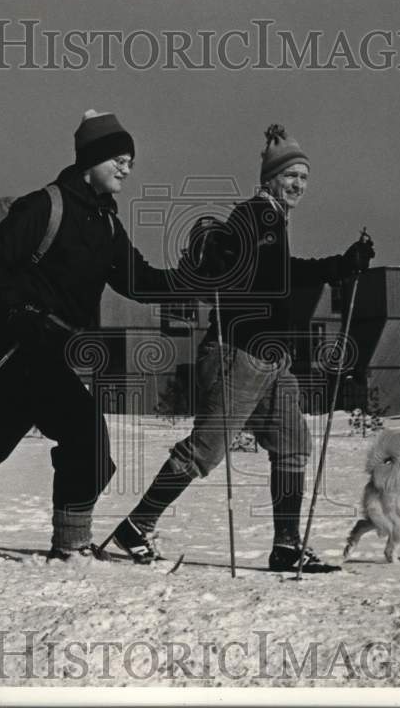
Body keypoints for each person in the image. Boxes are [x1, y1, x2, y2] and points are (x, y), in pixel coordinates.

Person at [0, 109, 197, 561]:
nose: (127, 167)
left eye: (130, 160)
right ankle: (71, 548)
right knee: (85, 435)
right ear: (91, 159)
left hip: (54, 348)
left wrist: (196, 278)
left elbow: (139, 280)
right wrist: (20, 311)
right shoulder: (46, 205)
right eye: (118, 158)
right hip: (18, 339)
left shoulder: (105, 223)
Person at [111, 123, 374, 573]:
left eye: (304, 178)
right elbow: (246, 263)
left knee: (292, 442)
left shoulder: (271, 220)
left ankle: (286, 546)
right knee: (205, 451)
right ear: (270, 178)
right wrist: (221, 248)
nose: (298, 185)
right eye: (290, 176)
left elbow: (278, 271)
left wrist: (339, 266)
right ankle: (136, 525)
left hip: (270, 358)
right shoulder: (257, 216)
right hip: (239, 354)